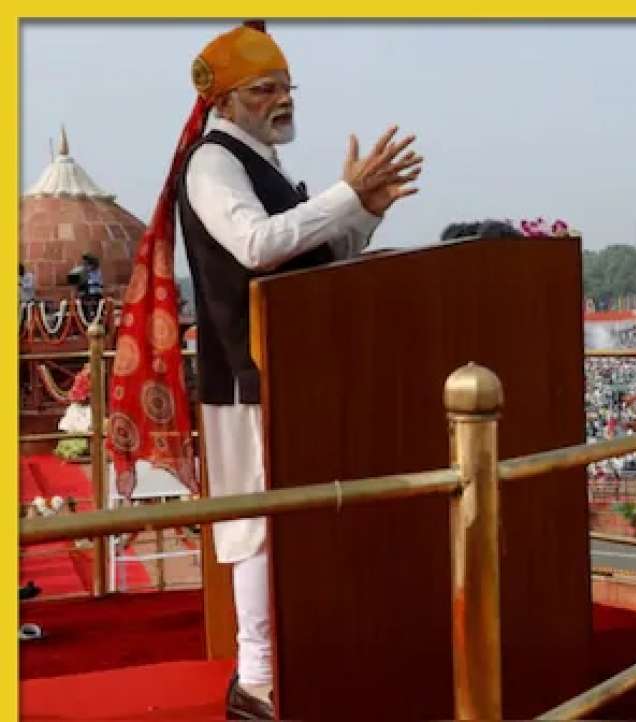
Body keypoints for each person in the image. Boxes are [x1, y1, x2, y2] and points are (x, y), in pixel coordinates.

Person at [108, 23, 421, 720]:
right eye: (264, 89)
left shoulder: (264, 165)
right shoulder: (212, 162)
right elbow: (257, 245)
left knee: (297, 523)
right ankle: (257, 682)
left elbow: (312, 260)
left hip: (295, 370)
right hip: (248, 374)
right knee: (256, 528)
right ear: (223, 101)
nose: (282, 100)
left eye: (286, 87)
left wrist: (363, 214)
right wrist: (344, 196)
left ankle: (288, 663)